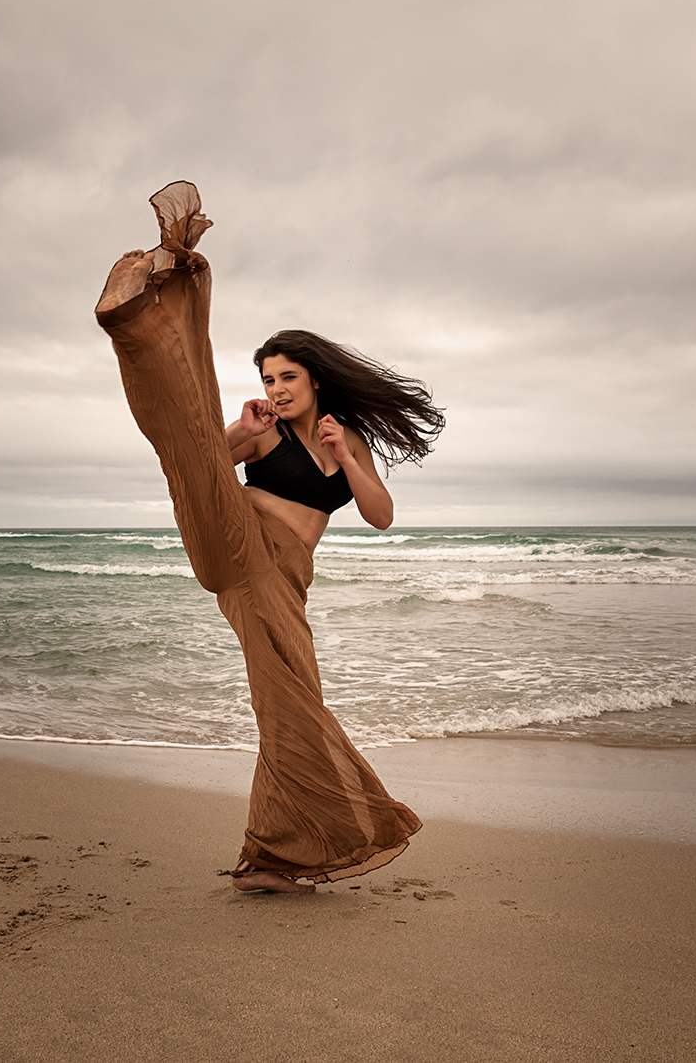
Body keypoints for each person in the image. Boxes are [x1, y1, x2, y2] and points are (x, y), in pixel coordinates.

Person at [94, 182, 444, 893]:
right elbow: (202, 467)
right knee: (191, 438)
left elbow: (381, 514)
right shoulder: (265, 433)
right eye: (266, 378)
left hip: (288, 578)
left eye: (285, 377)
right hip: (240, 545)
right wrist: (242, 429)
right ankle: (146, 317)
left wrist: (345, 453)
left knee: (291, 699)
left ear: (316, 379)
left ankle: (273, 855)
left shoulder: (343, 437)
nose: (276, 388)